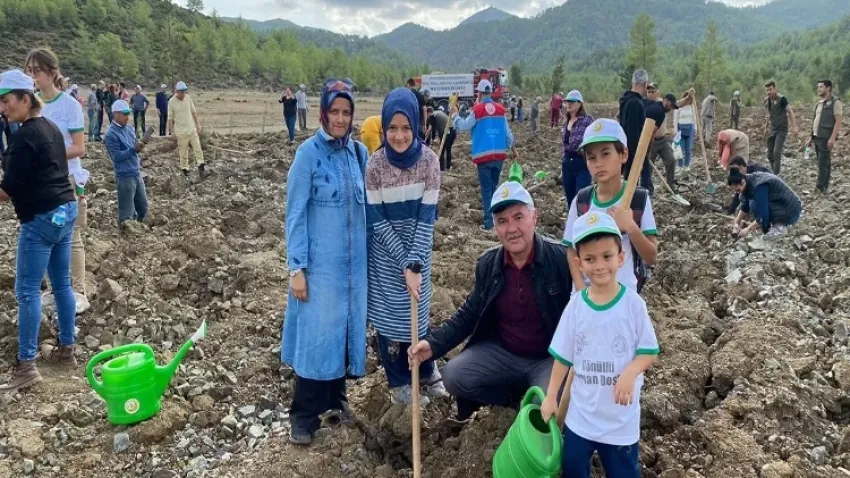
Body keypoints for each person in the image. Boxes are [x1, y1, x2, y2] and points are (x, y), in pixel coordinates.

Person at [407, 181, 572, 421]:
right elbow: (469, 313)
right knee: (454, 375)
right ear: (495, 227)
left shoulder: (561, 260)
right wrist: (433, 345)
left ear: (534, 217)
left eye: (518, 217)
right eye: (502, 221)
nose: (511, 228)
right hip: (504, 353)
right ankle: (511, 402)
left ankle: (530, 402)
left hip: (548, 359)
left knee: (545, 406)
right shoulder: (489, 264)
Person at [283, 77, 368, 446]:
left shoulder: (358, 155)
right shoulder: (308, 155)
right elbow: (295, 214)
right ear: (323, 112)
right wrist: (296, 267)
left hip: (353, 269)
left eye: (346, 112)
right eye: (334, 111)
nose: (340, 118)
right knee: (316, 337)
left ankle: (336, 400)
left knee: (343, 331)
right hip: (320, 267)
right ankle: (303, 415)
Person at [541, 210, 659, 478]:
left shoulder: (633, 305)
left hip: (620, 421)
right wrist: (550, 397)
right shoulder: (576, 306)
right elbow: (563, 357)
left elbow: (648, 352)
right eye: (590, 259)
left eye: (607, 256)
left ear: (620, 258)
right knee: (573, 468)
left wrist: (629, 373)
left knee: (623, 472)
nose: (599, 266)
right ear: (579, 264)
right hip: (581, 417)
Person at [0, 69, 79, 393]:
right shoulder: (49, 127)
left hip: (42, 217)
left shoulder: (24, 137)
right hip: (66, 210)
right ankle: (67, 349)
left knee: (27, 291)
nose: (2, 108)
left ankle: (27, 366)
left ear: (25, 99)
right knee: (62, 285)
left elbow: (8, 190)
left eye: (6, 101)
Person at [365, 88, 445, 406]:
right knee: (390, 320)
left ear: (416, 125)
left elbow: (426, 220)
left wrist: (414, 264)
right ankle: (399, 381)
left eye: (406, 128)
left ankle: (425, 371)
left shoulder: (429, 162)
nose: (399, 136)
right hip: (386, 257)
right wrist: (403, 264)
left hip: (418, 250)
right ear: (384, 127)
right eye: (392, 128)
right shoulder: (374, 166)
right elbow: (378, 221)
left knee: (418, 316)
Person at [25, 49, 90, 307]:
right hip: (39, 182)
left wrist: (46, 154)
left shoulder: (69, 106)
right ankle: (54, 291)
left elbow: (79, 147)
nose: (33, 76)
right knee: (45, 235)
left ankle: (78, 291)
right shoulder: (31, 106)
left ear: (52, 72)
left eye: (37, 71)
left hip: (66, 179)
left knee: (70, 236)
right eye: (29, 71)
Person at [564, 119, 658, 294]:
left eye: (605, 154)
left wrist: (630, 227)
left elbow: (651, 257)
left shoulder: (638, 199)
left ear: (624, 154)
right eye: (591, 157)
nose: (598, 163)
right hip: (587, 297)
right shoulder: (582, 202)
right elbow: (571, 251)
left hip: (623, 299)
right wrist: (582, 292)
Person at [451, 79, 514, 231]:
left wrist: (455, 116)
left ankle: (489, 223)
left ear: (479, 93)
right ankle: (498, 220)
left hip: (483, 158)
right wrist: (510, 147)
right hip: (499, 156)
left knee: (486, 190)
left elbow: (464, 126)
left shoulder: (478, 110)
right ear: (490, 92)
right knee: (493, 189)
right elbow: (508, 135)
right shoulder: (500, 110)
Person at [104, 100, 149, 228]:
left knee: (143, 208)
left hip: (136, 173)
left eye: (128, 113)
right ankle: (127, 235)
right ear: (116, 114)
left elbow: (133, 147)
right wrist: (134, 149)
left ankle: (140, 232)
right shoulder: (111, 134)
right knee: (127, 213)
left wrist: (139, 145)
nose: (127, 117)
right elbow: (116, 157)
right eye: (125, 114)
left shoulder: (129, 129)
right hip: (125, 177)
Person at [729, 169, 802, 239]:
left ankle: (780, 227)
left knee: (755, 205)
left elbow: (763, 215)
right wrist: (737, 222)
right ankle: (768, 225)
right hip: (780, 204)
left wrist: (748, 229)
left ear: (743, 182)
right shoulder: (748, 181)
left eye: (738, 190)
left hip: (791, 210)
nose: (738, 192)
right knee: (752, 203)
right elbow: (745, 206)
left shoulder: (759, 186)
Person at [619, 69, 651, 192]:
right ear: (645, 84)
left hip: (626, 148)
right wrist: (638, 156)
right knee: (633, 184)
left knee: (630, 183)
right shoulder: (635, 103)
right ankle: (639, 200)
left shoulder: (626, 100)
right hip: (634, 151)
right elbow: (633, 131)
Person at [808, 79, 842, 195]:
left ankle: (819, 187)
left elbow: (838, 122)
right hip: (817, 137)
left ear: (828, 88)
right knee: (825, 162)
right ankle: (825, 187)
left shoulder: (835, 102)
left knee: (822, 163)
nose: (818, 89)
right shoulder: (819, 103)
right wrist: (811, 137)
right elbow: (815, 121)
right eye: (818, 87)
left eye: (821, 87)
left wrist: (832, 138)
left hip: (826, 137)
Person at [561, 90, 594, 208]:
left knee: (582, 197)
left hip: (582, 162)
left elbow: (593, 140)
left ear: (579, 104)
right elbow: (565, 146)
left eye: (572, 102)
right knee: (570, 198)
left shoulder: (587, 120)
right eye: (567, 102)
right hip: (567, 164)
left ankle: (583, 218)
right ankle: (572, 219)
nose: (568, 104)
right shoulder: (566, 123)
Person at [168, 81, 206, 179]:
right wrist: (172, 132)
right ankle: (185, 170)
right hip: (181, 132)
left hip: (191, 129)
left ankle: (201, 167)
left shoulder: (188, 98)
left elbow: (194, 112)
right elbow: (170, 118)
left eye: (184, 92)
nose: (183, 94)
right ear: (177, 91)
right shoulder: (171, 102)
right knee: (183, 153)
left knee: (198, 149)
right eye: (181, 92)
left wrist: (198, 125)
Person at [764, 80, 798, 175]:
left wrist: (794, 127)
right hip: (773, 129)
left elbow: (790, 112)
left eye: (770, 89)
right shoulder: (767, 101)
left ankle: (776, 175)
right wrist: (766, 127)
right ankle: (774, 172)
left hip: (782, 129)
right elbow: (769, 114)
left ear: (775, 89)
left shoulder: (782, 99)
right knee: (770, 154)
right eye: (767, 90)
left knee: (776, 152)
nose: (769, 92)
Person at [645, 93, 679, 190]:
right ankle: (647, 188)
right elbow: (650, 131)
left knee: (671, 160)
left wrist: (688, 97)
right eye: (671, 105)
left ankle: (670, 184)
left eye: (672, 107)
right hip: (651, 141)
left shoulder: (663, 110)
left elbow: (680, 103)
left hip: (662, 140)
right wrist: (648, 146)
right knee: (648, 166)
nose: (671, 108)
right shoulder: (655, 108)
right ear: (665, 100)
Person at [673, 90, 697, 168]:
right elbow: (675, 119)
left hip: (690, 128)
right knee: (680, 148)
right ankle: (680, 166)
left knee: (688, 148)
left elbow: (694, 117)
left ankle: (687, 165)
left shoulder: (692, 106)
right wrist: (675, 130)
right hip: (680, 128)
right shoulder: (679, 107)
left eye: (689, 99)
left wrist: (695, 128)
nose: (688, 101)